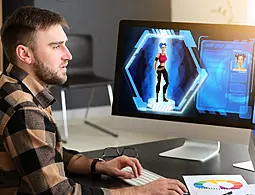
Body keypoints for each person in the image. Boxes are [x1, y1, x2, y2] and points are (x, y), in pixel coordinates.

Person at [0, 6, 187, 195]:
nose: (68, 55)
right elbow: (59, 193)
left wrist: (98, 165)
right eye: (56, 46)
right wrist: (142, 191)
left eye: (65, 44)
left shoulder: (9, 86)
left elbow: (44, 152)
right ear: (25, 54)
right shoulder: (25, 111)